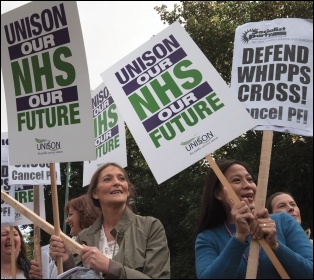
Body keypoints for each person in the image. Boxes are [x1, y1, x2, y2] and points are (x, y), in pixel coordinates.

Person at [195, 159, 313, 279]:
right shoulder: (207, 238)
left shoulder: (284, 221)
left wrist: (275, 246)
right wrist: (239, 237)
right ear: (218, 194)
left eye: (250, 179)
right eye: (237, 180)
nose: (247, 185)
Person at [49, 162, 171, 278]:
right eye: (107, 179)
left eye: (122, 178)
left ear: (127, 190)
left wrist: (109, 267)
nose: (117, 182)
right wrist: (66, 260)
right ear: (95, 193)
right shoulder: (83, 237)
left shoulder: (150, 227)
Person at [29, 194, 101, 278]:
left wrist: (67, 261)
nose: (67, 220)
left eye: (70, 214)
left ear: (85, 214)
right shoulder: (64, 248)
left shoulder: (101, 245)